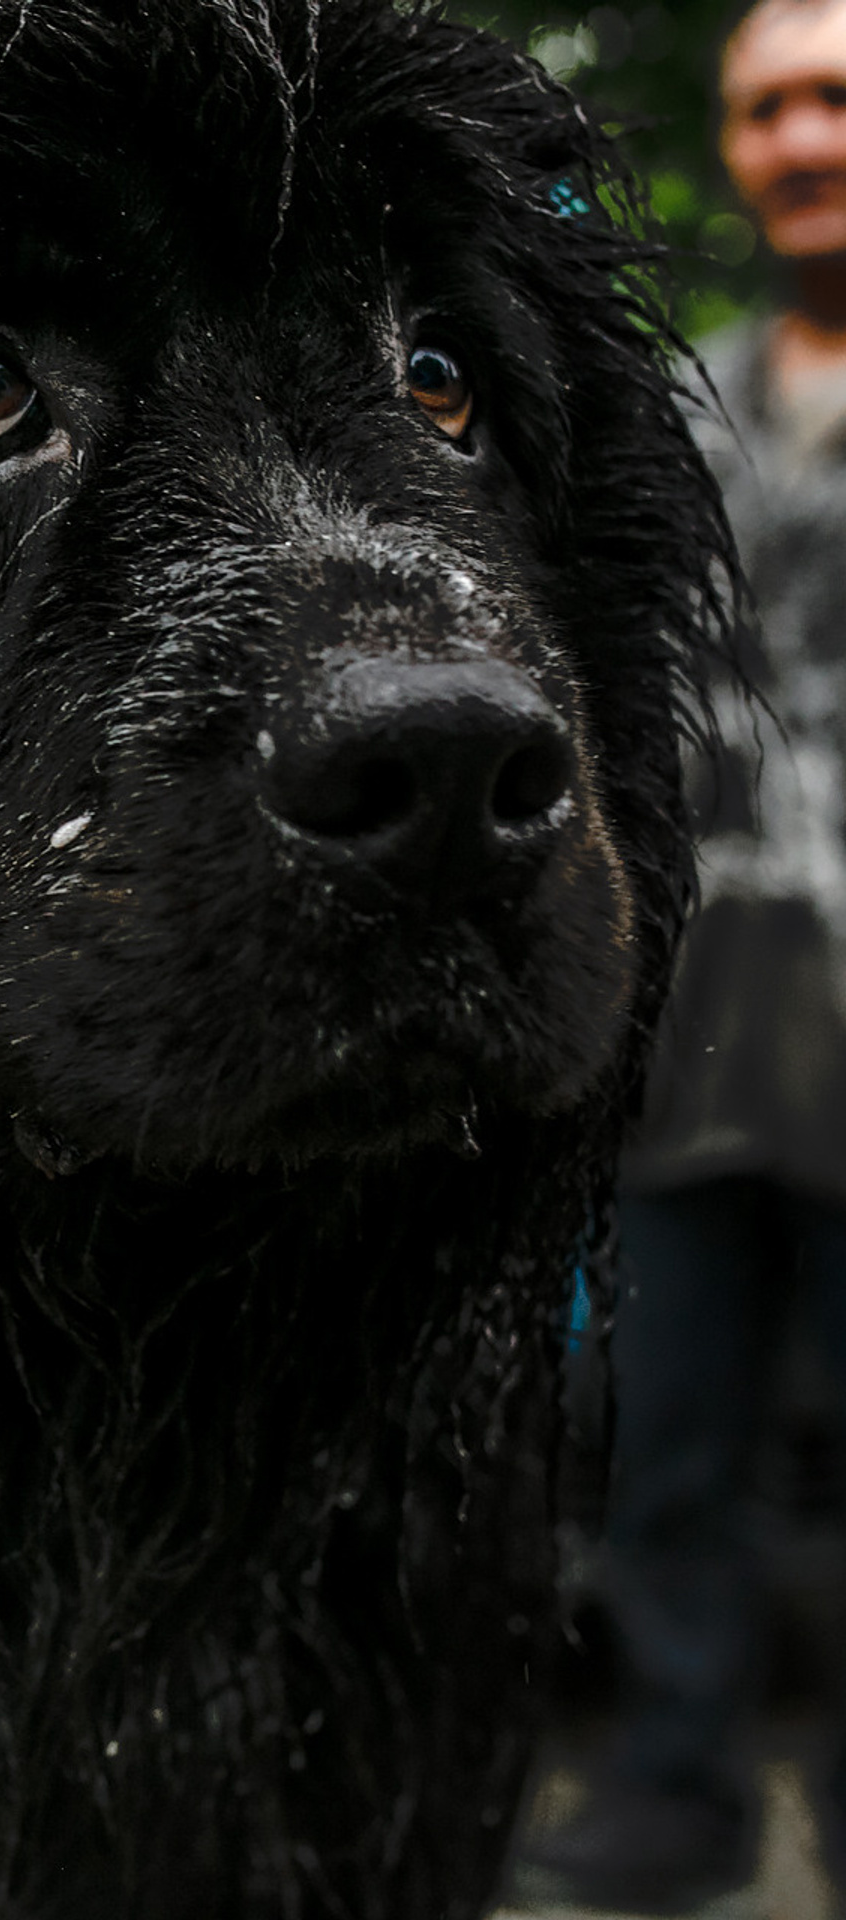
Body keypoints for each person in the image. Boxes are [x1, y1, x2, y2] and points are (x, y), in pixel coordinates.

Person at [520, 0, 846, 1909]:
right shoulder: (683, 409)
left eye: (833, 99)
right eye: (768, 107)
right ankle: (674, 1793)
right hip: (698, 1044)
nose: (802, 136)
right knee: (673, 1456)